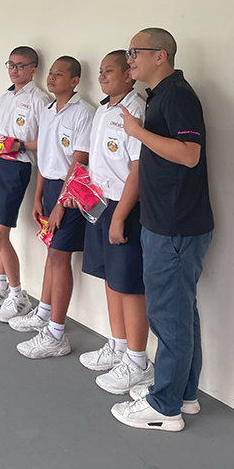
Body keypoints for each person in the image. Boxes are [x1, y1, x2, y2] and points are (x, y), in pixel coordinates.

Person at [111, 28, 214, 432]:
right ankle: (183, 394)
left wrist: (137, 132)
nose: (129, 58)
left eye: (135, 52)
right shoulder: (161, 96)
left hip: (174, 227)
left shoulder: (177, 96)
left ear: (161, 56)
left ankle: (164, 408)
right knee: (180, 316)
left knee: (169, 319)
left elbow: (190, 155)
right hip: (170, 223)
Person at [78, 51, 153, 397]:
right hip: (99, 204)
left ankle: (138, 362)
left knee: (128, 284)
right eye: (101, 72)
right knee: (110, 278)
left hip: (124, 207)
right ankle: (118, 347)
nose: (103, 77)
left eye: (110, 71)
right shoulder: (104, 109)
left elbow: (137, 171)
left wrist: (120, 217)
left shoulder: (135, 111)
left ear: (129, 75)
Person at [11, 56, 93, 359]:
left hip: (71, 192)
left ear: (74, 81)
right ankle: (43, 314)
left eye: (61, 74)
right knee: (52, 253)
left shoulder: (84, 113)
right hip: (49, 190)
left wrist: (60, 204)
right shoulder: (47, 111)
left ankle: (56, 333)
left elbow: (78, 162)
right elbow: (45, 157)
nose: (52, 78)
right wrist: (37, 197)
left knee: (60, 256)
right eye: (51, 73)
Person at [0, 47, 46, 322]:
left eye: (20, 66)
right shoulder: (5, 97)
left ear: (33, 69)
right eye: (10, 65)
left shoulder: (39, 100)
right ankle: (0, 285)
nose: (14, 70)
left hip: (17, 167)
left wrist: (20, 145)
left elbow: (45, 141)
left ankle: (18, 295)